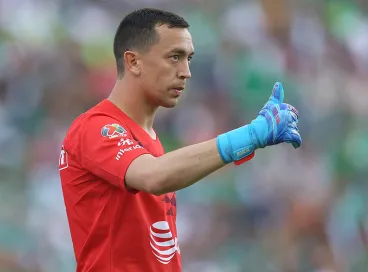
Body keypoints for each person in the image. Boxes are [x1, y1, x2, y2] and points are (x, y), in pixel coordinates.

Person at [58, 8, 302, 272]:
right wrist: (249, 137)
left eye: (188, 59)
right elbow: (154, 176)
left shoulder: (149, 140)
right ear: (133, 62)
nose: (186, 72)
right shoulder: (96, 127)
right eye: (174, 57)